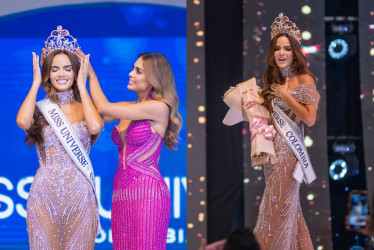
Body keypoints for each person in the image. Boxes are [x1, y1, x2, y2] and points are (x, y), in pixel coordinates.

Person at [79, 50, 182, 249]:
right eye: (132, 69)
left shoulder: (158, 108)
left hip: (148, 192)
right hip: (121, 192)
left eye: (138, 71)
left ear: (153, 79)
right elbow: (93, 115)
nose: (130, 74)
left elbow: (102, 108)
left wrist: (91, 76)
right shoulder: (127, 107)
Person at [16, 26, 102, 249]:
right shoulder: (42, 108)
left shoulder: (86, 107)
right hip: (44, 194)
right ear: (47, 73)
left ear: (75, 72)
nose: (61, 74)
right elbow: (23, 122)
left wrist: (83, 85)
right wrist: (36, 83)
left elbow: (94, 126)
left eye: (67, 69)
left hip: (80, 193)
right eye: (54, 69)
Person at [243, 13, 320, 250]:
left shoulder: (304, 79)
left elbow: (310, 118)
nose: (282, 53)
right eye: (277, 48)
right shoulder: (274, 80)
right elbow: (269, 119)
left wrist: (286, 95)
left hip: (289, 153)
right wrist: (251, 107)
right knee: (289, 212)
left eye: (287, 48)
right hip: (273, 155)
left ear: (295, 51)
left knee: (275, 210)